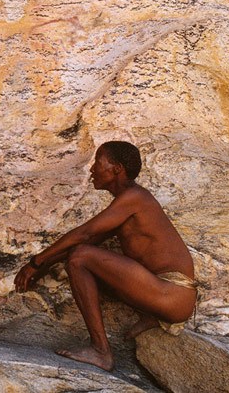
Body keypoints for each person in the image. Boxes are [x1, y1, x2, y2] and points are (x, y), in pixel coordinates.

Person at [14, 141, 197, 371]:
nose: (91, 169)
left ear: (117, 168)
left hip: (172, 293)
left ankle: (101, 350)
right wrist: (45, 266)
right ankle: (150, 315)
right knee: (83, 259)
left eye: (98, 162)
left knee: (80, 258)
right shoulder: (125, 204)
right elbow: (90, 239)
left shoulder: (135, 197)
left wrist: (36, 261)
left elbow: (84, 233)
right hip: (164, 293)